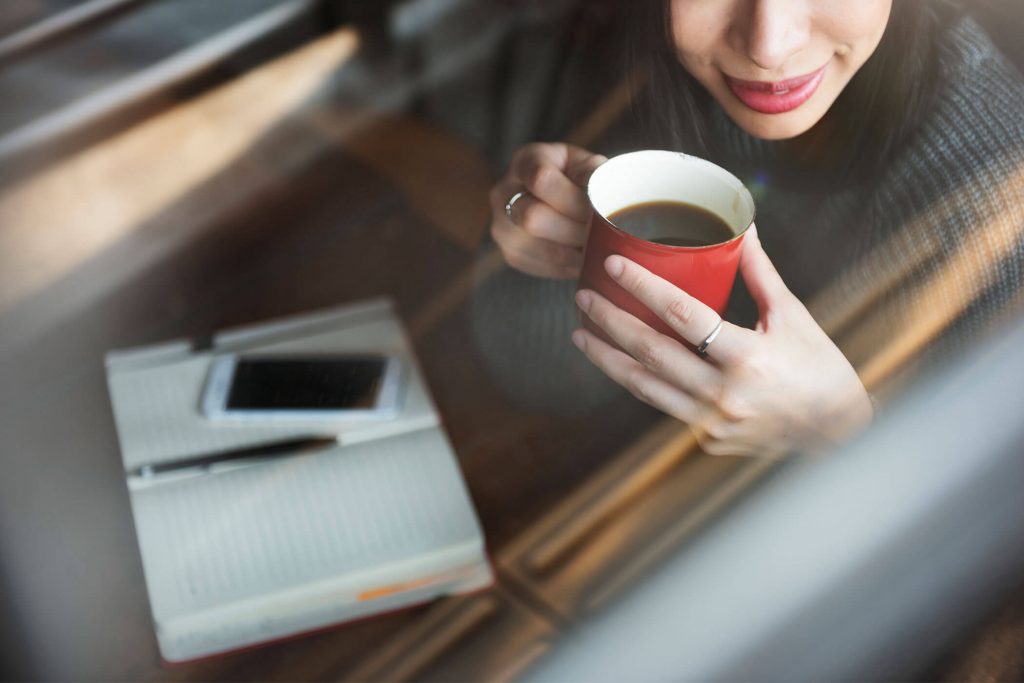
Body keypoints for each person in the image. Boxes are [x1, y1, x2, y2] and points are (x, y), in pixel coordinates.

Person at [474, 0, 1024, 457]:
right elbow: (538, 377)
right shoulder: (641, 56)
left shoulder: (997, 183)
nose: (768, 45)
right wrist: (544, 241)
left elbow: (986, 550)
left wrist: (847, 429)